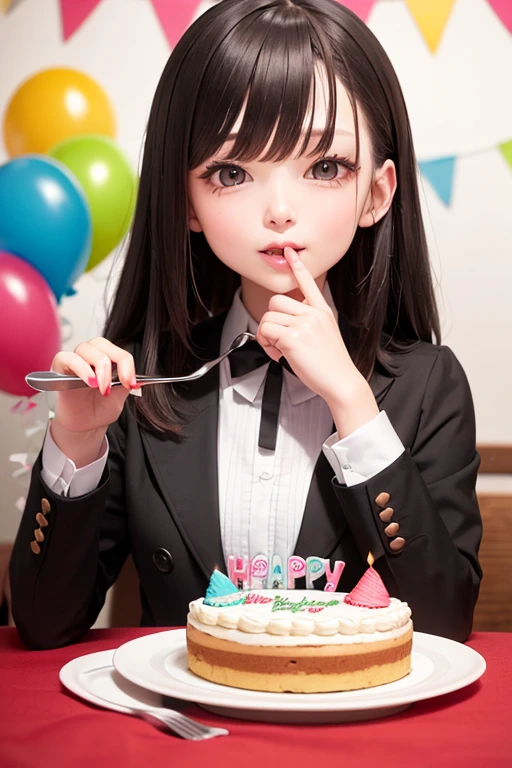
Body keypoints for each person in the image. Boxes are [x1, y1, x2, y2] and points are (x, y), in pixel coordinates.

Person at [10, 0, 482, 650]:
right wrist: (78, 443)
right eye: (232, 173)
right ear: (189, 201)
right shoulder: (149, 379)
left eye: (325, 168)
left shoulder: (430, 385)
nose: (280, 211)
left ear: (377, 193)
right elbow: (42, 625)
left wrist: (352, 403)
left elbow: (444, 626)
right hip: (185, 739)